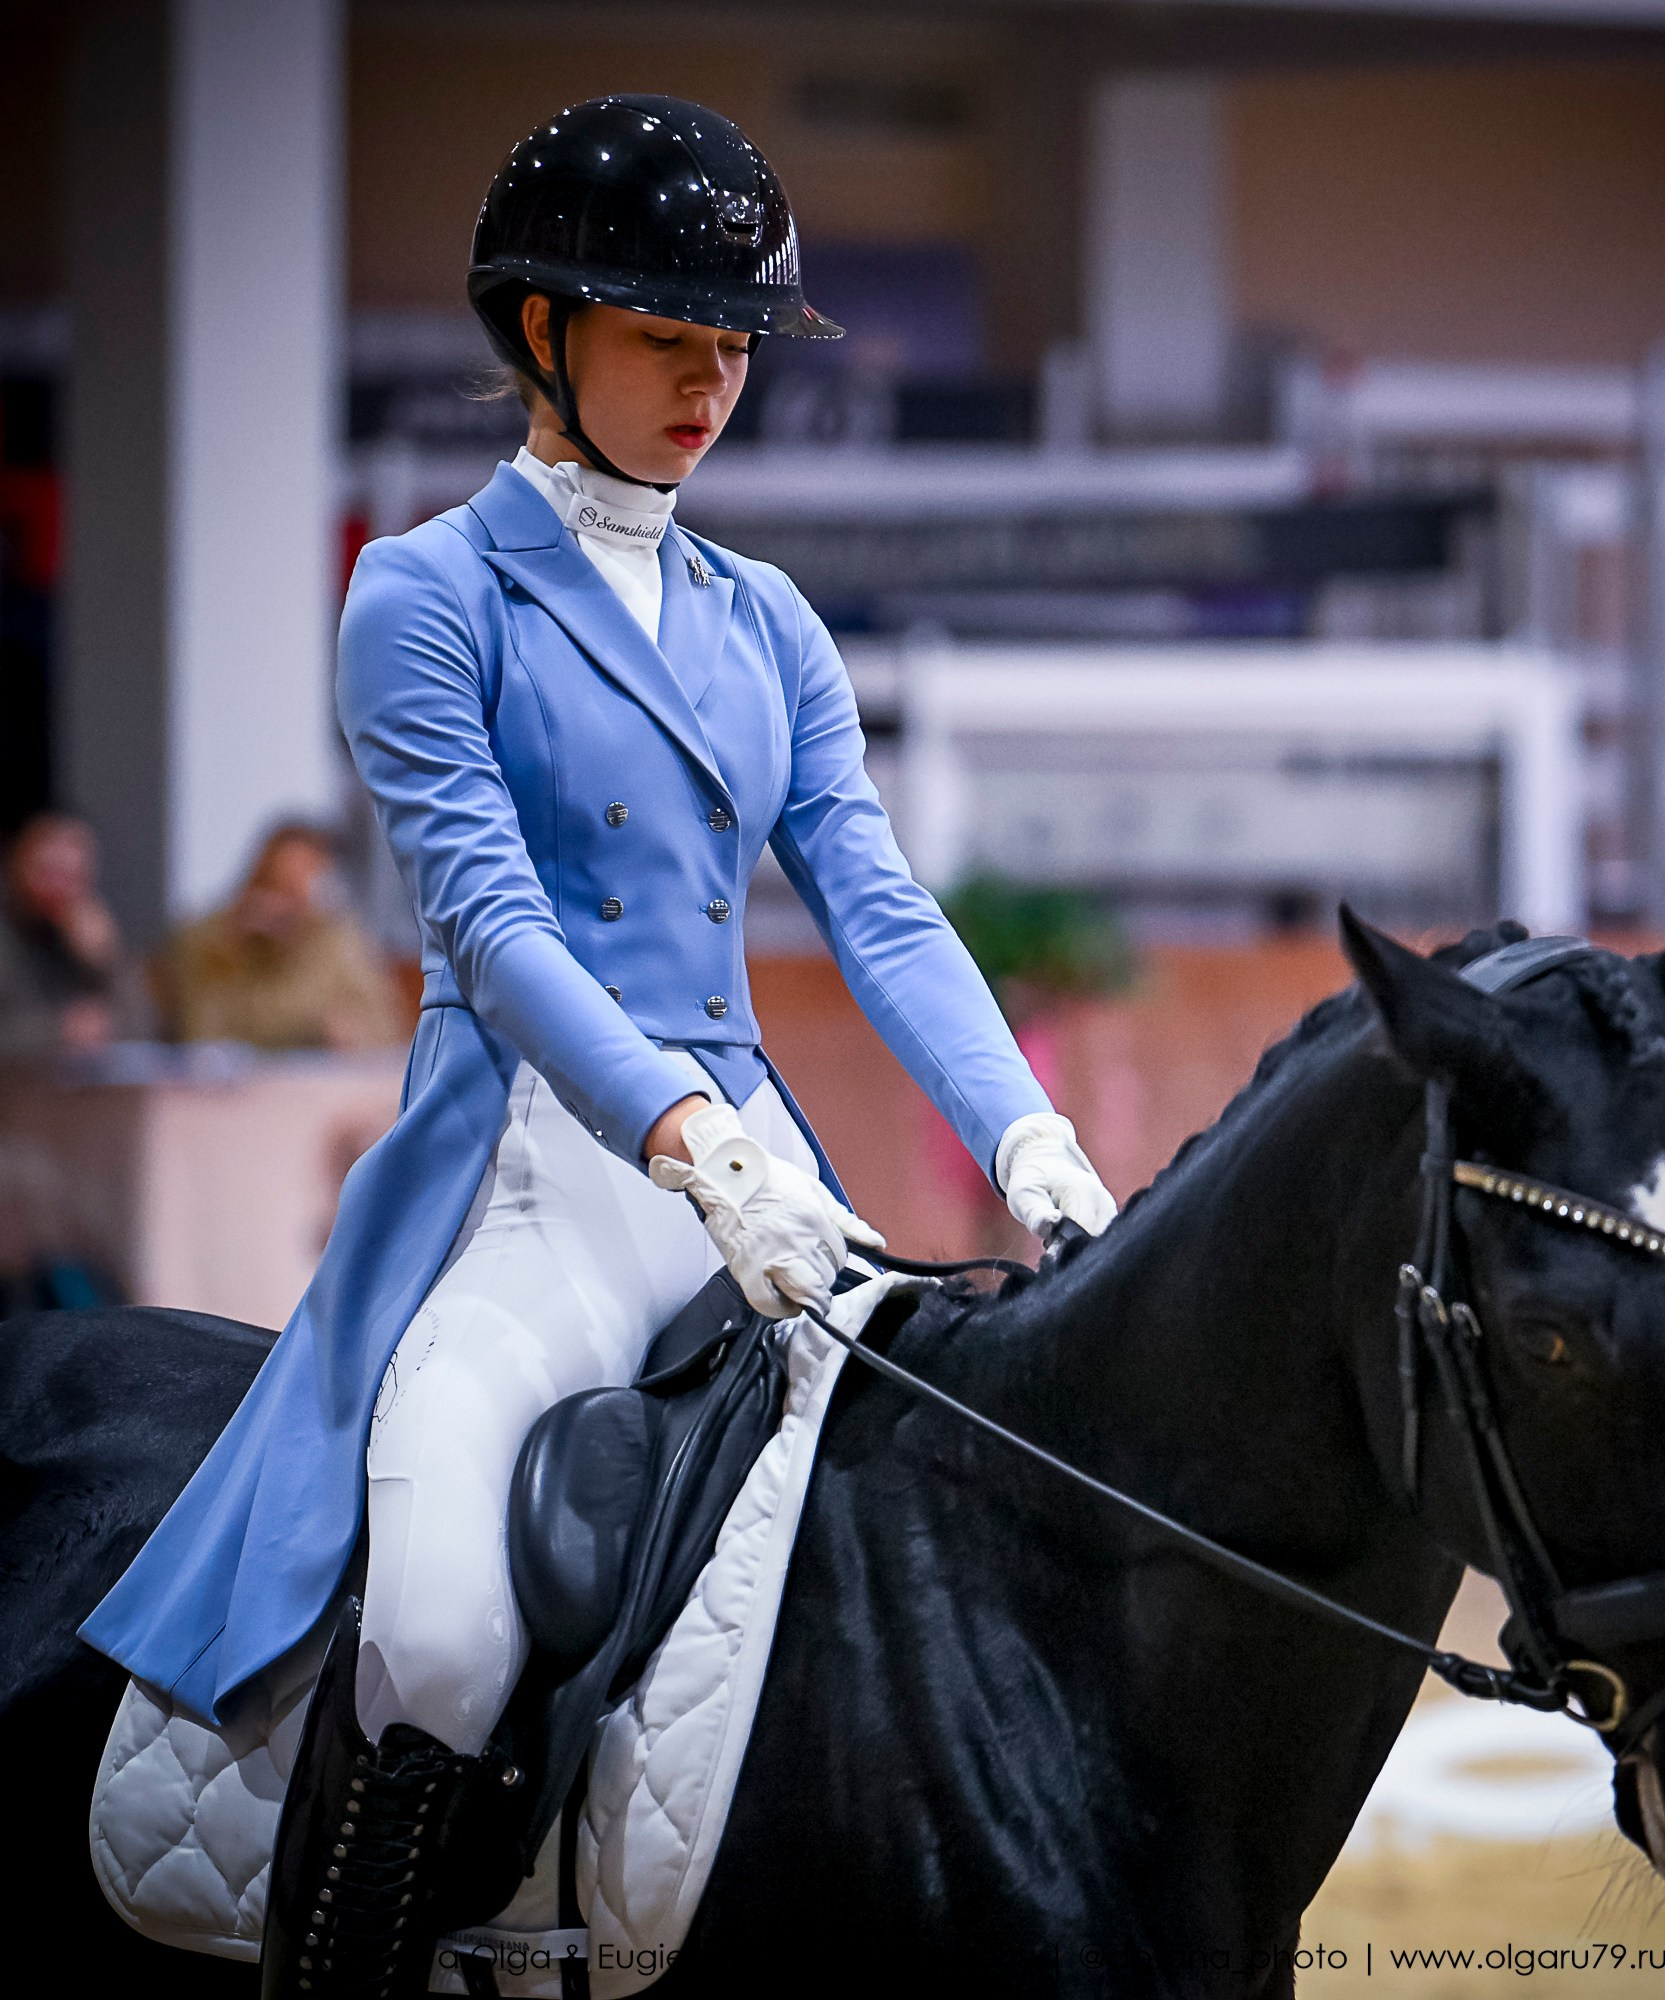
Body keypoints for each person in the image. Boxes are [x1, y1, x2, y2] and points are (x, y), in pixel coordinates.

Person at [76, 96, 1117, 1998]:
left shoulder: (767, 621)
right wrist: (686, 1133)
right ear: (544, 331)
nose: (713, 386)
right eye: (668, 339)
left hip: (757, 1171)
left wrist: (1026, 1137)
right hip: (537, 1168)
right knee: (445, 1634)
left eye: (737, 347)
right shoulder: (425, 594)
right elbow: (492, 926)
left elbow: (876, 906)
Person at [155, 821, 406, 1050]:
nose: (285, 903)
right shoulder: (211, 939)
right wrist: (235, 947)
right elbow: (203, 1039)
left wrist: (341, 1031)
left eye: (299, 887)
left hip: (318, 1076)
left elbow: (382, 1038)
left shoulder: (338, 943)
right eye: (277, 884)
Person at [0, 812, 147, 1057]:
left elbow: (142, 1031)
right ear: (17, 861)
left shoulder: (87, 932)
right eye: (48, 872)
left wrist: (109, 961)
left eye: (73, 877)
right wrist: (58, 1031)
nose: (60, 888)